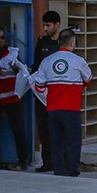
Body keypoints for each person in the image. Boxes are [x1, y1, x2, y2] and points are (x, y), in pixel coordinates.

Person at [42, 28, 92, 177]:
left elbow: (38, 84)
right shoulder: (78, 61)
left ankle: (58, 169)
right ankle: (72, 170)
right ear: (72, 42)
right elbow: (88, 79)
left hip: (52, 108)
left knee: (56, 141)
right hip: (71, 108)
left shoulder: (47, 60)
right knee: (73, 140)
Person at [0, 25, 30, 170]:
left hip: (12, 98)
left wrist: (17, 69)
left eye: (3, 38)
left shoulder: (12, 52)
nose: (1, 41)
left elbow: (24, 71)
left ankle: (23, 160)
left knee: (18, 130)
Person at [30, 10, 63, 173]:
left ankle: (60, 161)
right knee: (44, 128)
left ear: (57, 25)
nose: (45, 28)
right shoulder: (42, 42)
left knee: (59, 128)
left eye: (48, 25)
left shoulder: (64, 43)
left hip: (59, 94)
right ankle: (47, 162)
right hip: (42, 94)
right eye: (44, 25)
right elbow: (36, 65)